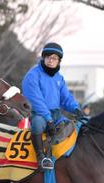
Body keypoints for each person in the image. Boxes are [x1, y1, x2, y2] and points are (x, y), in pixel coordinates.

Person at [22, 42, 85, 170]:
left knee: (74, 126)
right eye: (49, 57)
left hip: (56, 114)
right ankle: (41, 157)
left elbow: (66, 97)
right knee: (39, 124)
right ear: (43, 57)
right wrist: (48, 119)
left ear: (59, 61)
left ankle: (63, 158)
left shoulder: (59, 78)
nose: (51, 61)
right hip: (38, 113)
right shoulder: (32, 75)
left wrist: (76, 108)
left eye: (55, 58)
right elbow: (36, 100)